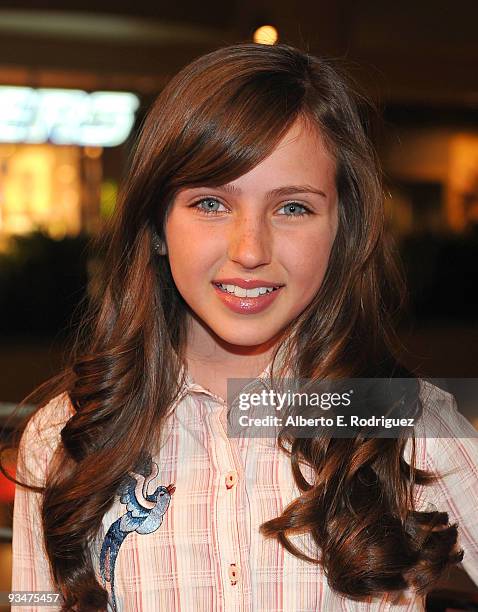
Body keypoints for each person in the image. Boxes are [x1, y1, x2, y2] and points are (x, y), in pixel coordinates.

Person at [4, 42, 478, 612]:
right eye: (210, 203)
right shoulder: (65, 437)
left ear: (341, 230)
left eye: (293, 207)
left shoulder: (413, 426)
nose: (249, 250)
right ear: (157, 224)